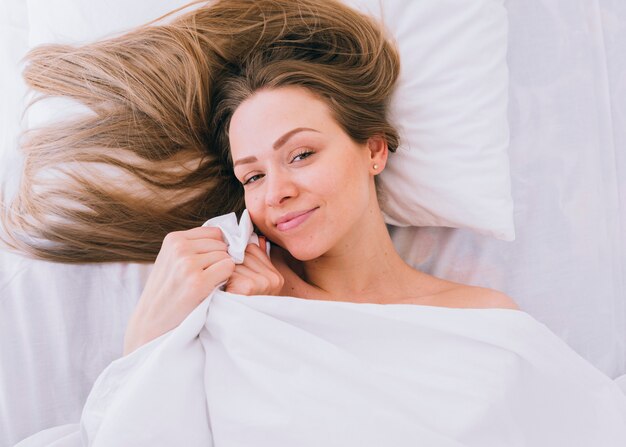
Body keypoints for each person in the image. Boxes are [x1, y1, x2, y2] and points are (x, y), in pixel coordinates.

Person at [0, 0, 519, 357]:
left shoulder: (481, 316)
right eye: (251, 176)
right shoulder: (229, 305)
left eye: (301, 154)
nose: (276, 192)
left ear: (374, 151)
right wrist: (150, 331)